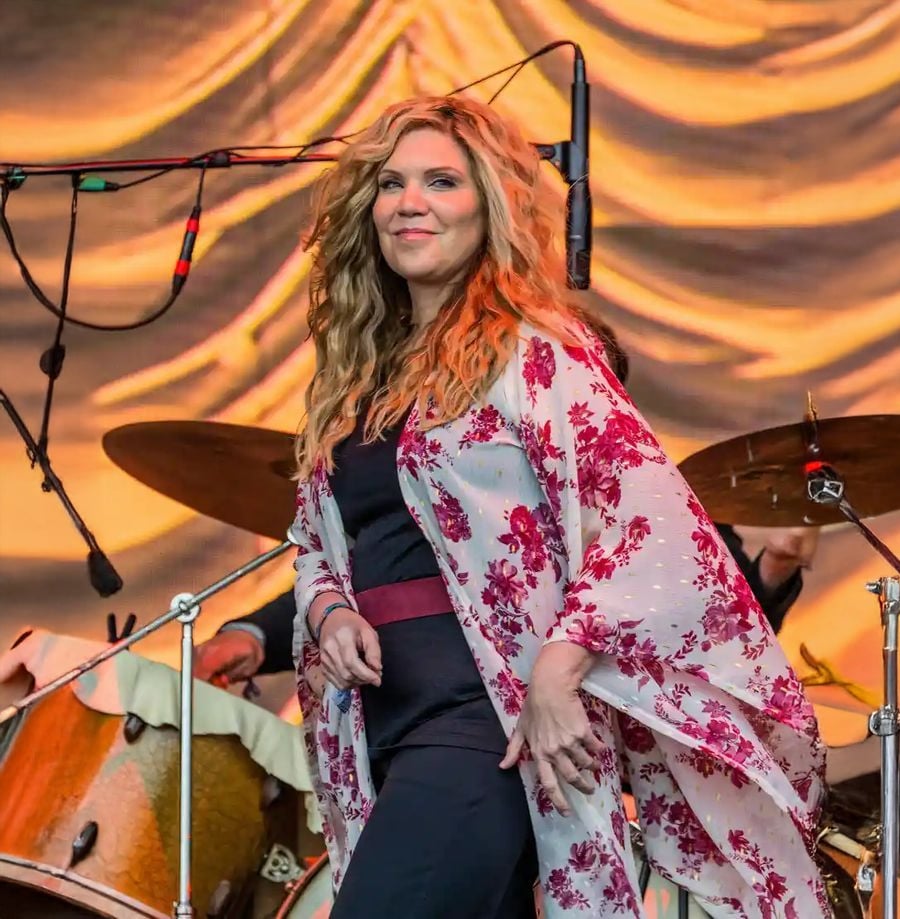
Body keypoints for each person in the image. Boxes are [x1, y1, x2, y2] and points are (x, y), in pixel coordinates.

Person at [253, 96, 832, 917]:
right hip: (380, 728)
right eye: (390, 183)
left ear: (490, 205)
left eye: (441, 181)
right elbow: (315, 542)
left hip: (482, 725)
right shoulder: (354, 381)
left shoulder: (536, 353)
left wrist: (560, 668)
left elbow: (651, 523)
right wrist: (326, 612)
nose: (409, 201)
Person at [194, 524, 818, 685]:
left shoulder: (660, 514)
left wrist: (772, 571)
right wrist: (252, 634)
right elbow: (379, 577)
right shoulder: (466, 489)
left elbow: (727, 629)